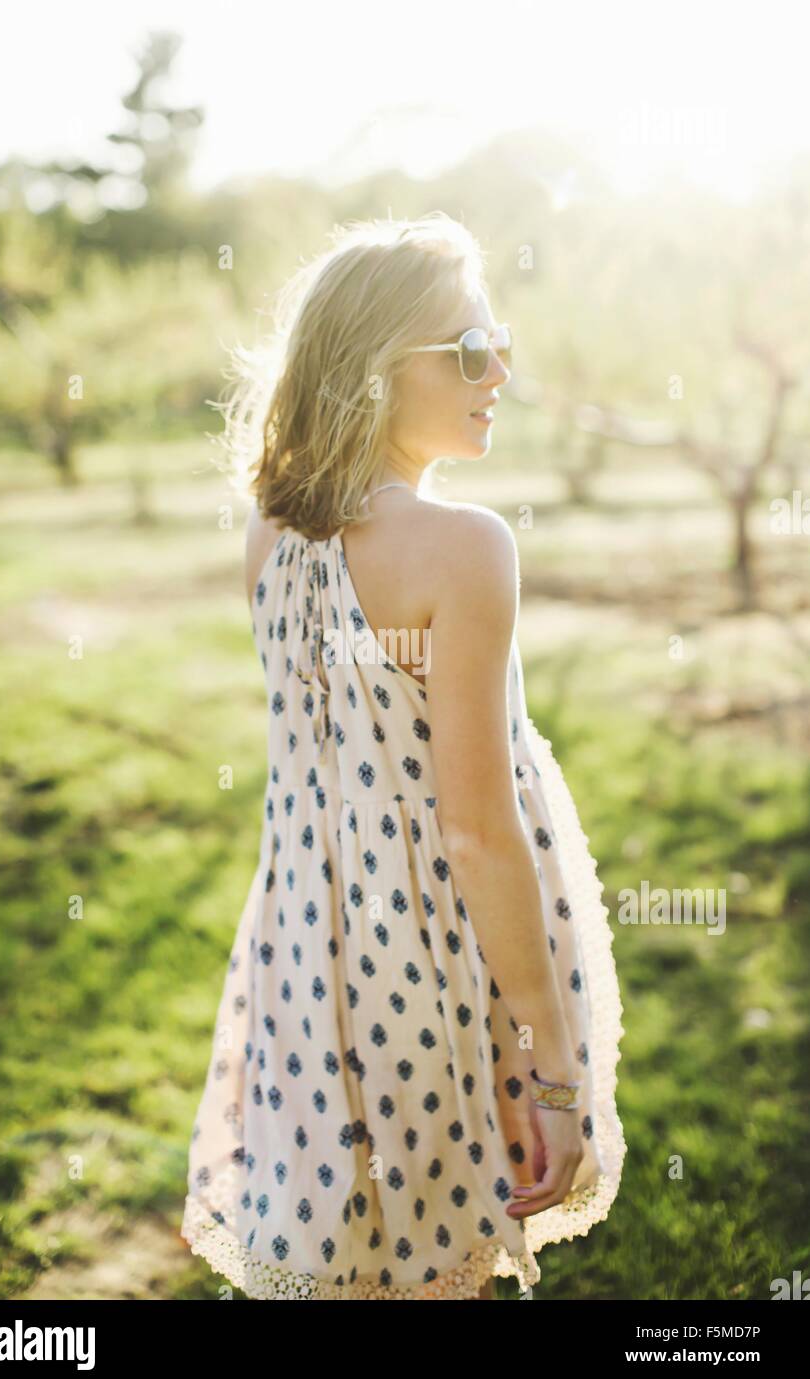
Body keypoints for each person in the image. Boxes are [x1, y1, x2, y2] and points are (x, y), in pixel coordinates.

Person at [180, 212, 626, 1300]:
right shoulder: (464, 549)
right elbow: (474, 831)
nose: (501, 370)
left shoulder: (269, 531)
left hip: (303, 948)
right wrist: (551, 1066)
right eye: (470, 349)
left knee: (352, 1248)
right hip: (432, 957)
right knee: (446, 1253)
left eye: (498, 340)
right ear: (374, 373)